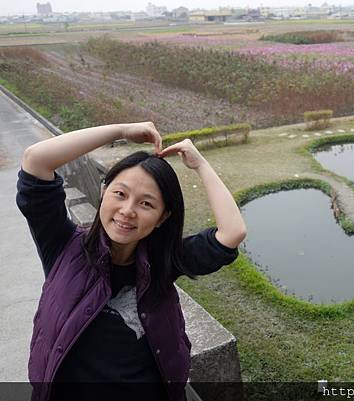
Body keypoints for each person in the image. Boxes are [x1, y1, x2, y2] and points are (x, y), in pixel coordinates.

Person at [16, 122, 247, 401]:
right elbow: (36, 160)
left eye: (146, 204)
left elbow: (232, 233)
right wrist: (121, 131)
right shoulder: (63, 245)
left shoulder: (163, 262)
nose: (127, 211)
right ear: (103, 193)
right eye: (120, 194)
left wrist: (200, 165)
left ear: (162, 218)